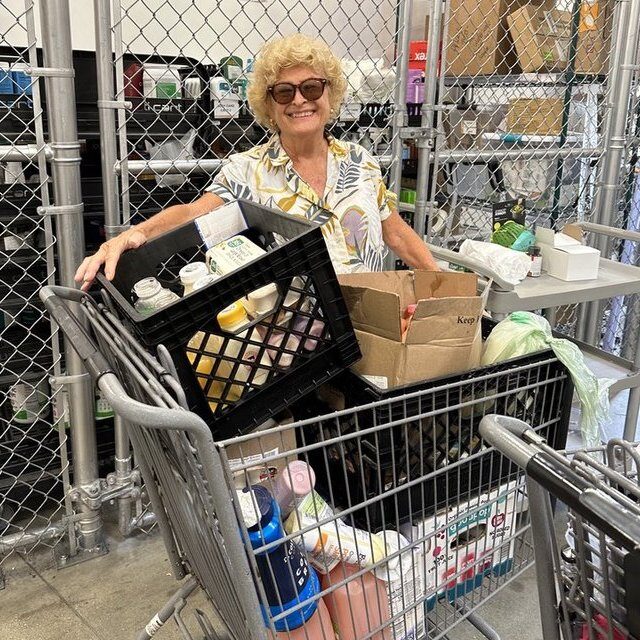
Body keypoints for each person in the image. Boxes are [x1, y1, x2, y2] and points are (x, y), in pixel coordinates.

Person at [75, 34, 439, 290]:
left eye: (311, 87)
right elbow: (192, 213)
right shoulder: (246, 169)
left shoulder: (362, 161)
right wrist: (136, 233)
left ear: (330, 94)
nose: (299, 100)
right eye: (284, 92)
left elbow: (394, 231)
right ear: (269, 105)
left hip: (373, 318)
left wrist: (440, 280)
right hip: (301, 338)